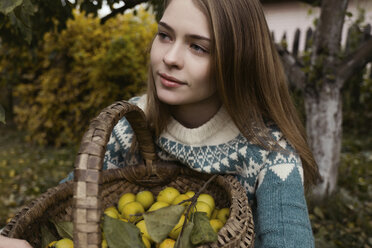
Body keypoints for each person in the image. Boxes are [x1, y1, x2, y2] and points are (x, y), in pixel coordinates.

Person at [2, 0, 319, 247]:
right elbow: (66, 202)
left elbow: (288, 236)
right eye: (165, 35)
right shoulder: (131, 125)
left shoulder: (271, 154)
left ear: (237, 60)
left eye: (198, 46)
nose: (170, 57)